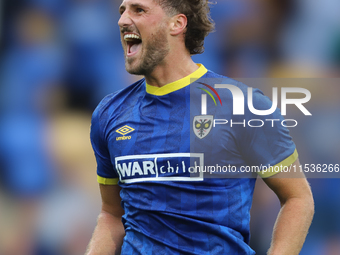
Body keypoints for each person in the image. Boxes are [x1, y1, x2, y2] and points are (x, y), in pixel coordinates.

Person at [86, 0, 314, 254]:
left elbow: (297, 198)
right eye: (122, 11)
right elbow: (111, 215)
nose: (122, 20)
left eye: (138, 10)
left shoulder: (242, 105)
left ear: (177, 24)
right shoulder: (109, 114)